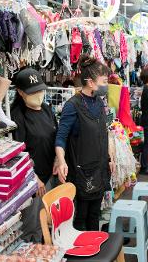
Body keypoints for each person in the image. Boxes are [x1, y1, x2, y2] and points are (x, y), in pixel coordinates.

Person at [54, 56, 114, 231]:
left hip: (100, 167)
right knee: (81, 216)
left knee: (95, 213)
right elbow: (60, 137)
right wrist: (61, 161)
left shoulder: (99, 102)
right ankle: (82, 253)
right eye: (104, 81)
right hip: (82, 171)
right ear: (90, 82)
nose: (106, 85)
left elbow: (104, 132)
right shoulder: (72, 106)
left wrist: (109, 157)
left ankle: (95, 250)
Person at [11, 68, 58, 242]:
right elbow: (19, 151)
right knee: (32, 223)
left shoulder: (46, 109)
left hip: (48, 176)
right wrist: (33, 177)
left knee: (46, 220)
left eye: (40, 90)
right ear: (20, 92)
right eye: (33, 92)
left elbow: (56, 135)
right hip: (31, 179)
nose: (38, 95)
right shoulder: (17, 116)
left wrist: (57, 158)